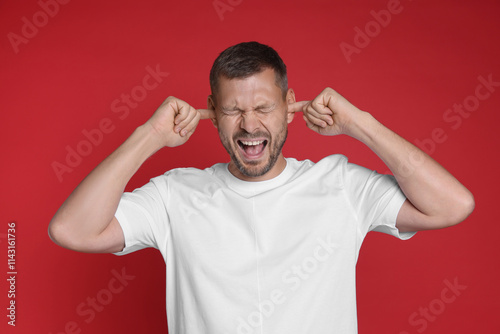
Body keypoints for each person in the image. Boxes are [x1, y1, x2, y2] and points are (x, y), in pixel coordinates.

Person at [48, 41, 474, 333]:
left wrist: (360, 124)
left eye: (263, 108)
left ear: (290, 107)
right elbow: (72, 230)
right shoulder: (174, 196)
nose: (250, 125)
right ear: (212, 112)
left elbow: (452, 205)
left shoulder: (341, 184)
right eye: (233, 110)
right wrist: (149, 135)